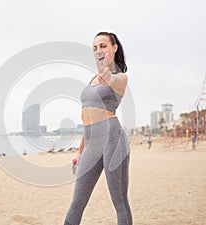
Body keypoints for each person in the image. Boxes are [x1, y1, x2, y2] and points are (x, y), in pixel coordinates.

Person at [64, 32, 132, 225]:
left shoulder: (120, 77)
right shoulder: (93, 78)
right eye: (95, 48)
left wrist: (109, 77)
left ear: (114, 47)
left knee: (120, 203)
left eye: (103, 46)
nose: (98, 51)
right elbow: (87, 122)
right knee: (77, 202)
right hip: (91, 143)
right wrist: (79, 152)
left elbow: (118, 82)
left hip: (113, 139)